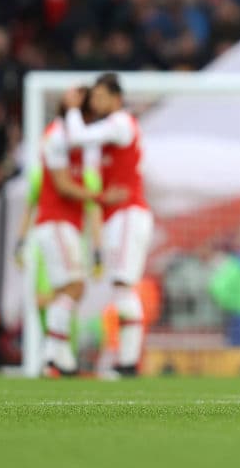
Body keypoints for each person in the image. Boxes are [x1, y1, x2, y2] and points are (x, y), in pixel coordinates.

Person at [63, 73, 153, 377]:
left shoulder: (122, 123)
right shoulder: (102, 140)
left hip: (129, 214)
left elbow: (76, 136)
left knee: (123, 286)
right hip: (116, 217)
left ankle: (129, 362)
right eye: (94, 97)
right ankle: (127, 360)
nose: (96, 102)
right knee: (120, 286)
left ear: (116, 98)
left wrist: (73, 108)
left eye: (101, 96)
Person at [32, 87, 123, 376]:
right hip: (56, 221)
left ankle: (58, 360)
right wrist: (101, 197)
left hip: (66, 224)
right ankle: (51, 356)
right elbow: (61, 185)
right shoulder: (57, 136)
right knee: (75, 287)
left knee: (66, 290)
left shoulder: (77, 144)